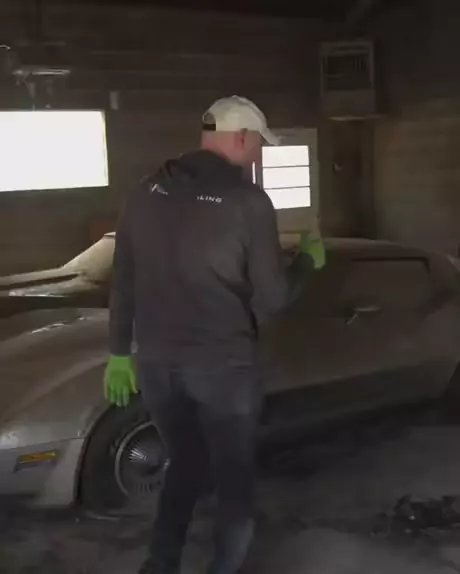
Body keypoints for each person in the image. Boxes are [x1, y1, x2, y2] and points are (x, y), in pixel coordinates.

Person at [104, 95, 309, 574]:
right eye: (257, 144)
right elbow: (272, 301)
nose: (257, 154)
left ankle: (160, 564)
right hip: (222, 368)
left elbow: (123, 278)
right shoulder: (247, 202)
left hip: (156, 365)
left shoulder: (145, 191)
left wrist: (118, 352)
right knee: (234, 481)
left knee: (184, 463)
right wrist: (307, 264)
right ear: (240, 138)